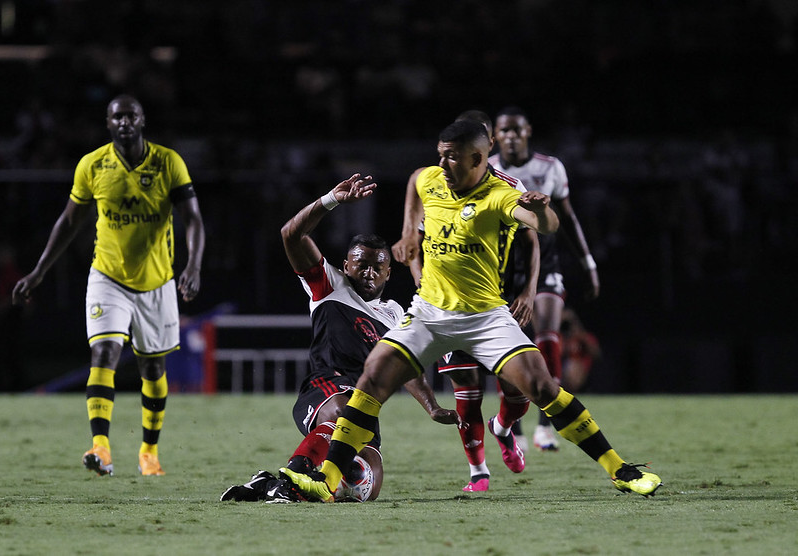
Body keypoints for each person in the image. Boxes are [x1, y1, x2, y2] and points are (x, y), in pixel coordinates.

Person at [280, 120, 662, 502]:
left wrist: (542, 212)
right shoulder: (431, 179)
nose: (443, 164)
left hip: (484, 317)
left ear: (478, 158)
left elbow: (545, 225)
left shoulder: (501, 193)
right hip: (429, 313)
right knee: (374, 375)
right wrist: (410, 229)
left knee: (542, 387)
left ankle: (619, 469)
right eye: (441, 155)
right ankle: (326, 477)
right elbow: (416, 180)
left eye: (452, 157)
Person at [220, 173, 461, 503]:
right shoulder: (329, 285)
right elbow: (290, 234)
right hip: (325, 391)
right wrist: (330, 200)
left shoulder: (393, 313)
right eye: (361, 264)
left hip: (364, 407)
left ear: (389, 272)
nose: (369, 272)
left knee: (365, 486)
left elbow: (404, 366)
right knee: (343, 408)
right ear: (346, 265)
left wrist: (432, 407)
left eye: (378, 266)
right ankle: (293, 478)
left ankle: (268, 484)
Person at [12, 94, 205, 477]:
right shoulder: (93, 165)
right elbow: (69, 223)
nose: (124, 122)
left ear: (142, 120)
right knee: (103, 356)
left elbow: (194, 219)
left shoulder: (168, 162)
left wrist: (194, 266)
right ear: (108, 122)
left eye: (131, 115)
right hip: (107, 278)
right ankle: (100, 448)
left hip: (157, 281)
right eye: (117, 117)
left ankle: (149, 452)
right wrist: (39, 271)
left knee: (152, 368)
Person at [402, 109, 539, 492]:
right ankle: (478, 471)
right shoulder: (435, 185)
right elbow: (417, 244)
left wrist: (528, 292)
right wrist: (423, 286)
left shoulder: (506, 187)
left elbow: (533, 240)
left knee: (517, 391)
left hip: (498, 300)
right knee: (466, 388)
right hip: (445, 304)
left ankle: (504, 426)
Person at [491, 106, 601, 452]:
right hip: (504, 265)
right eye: (503, 131)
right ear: (495, 136)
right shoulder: (487, 168)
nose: (510, 136)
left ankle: (546, 426)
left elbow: (567, 218)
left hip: (546, 260)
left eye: (515, 130)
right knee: (506, 345)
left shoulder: (550, 167)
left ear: (528, 132)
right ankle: (513, 427)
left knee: (548, 336)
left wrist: (588, 263)